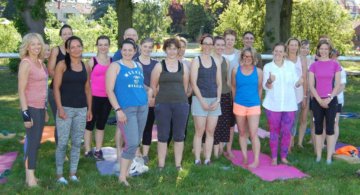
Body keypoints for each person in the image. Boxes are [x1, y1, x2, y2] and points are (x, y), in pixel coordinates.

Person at [106, 38, 151, 186]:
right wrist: (118, 110)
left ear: (134, 51)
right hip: (126, 109)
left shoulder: (138, 65)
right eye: (124, 50)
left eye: (130, 50)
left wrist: (148, 89)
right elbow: (109, 90)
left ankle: (126, 173)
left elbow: (138, 84)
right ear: (120, 50)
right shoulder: (115, 66)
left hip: (142, 107)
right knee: (131, 143)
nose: (126, 52)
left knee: (135, 141)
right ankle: (122, 177)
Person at [53, 36, 92, 184]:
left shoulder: (86, 66)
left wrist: (89, 109)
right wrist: (60, 108)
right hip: (65, 109)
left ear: (82, 47)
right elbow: (56, 88)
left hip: (81, 109)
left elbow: (88, 89)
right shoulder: (62, 65)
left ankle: (72, 173)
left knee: (76, 142)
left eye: (79, 46)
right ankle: (59, 174)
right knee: (63, 142)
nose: (76, 49)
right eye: (72, 47)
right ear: (68, 50)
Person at [151, 38, 189, 170]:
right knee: (163, 135)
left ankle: (178, 165)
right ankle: (161, 165)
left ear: (178, 49)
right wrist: (160, 99)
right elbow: (153, 85)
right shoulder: (159, 65)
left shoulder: (183, 66)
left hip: (181, 104)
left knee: (179, 135)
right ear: (165, 49)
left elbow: (185, 87)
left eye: (174, 48)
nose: (172, 51)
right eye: (169, 48)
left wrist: (178, 98)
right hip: (163, 104)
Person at [263, 43, 303, 165]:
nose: (278, 54)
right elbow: (266, 86)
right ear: (273, 52)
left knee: (287, 131)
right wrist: (270, 80)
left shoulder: (291, 66)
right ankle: (274, 157)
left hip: (289, 105)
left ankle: (284, 156)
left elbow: (295, 83)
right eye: (276, 51)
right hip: (273, 105)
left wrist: (299, 83)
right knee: (274, 131)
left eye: (281, 51)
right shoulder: (268, 67)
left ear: (285, 53)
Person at [18, 33, 48, 187]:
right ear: (27, 46)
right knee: (32, 143)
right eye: (32, 44)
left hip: (40, 107)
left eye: (38, 44)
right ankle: (30, 179)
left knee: (35, 143)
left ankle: (31, 176)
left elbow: (43, 88)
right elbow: (21, 90)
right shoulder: (26, 63)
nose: (36, 47)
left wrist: (46, 109)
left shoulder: (41, 63)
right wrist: (25, 114)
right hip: (30, 108)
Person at [191, 34, 222, 165]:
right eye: (206, 43)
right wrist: (202, 100)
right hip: (199, 100)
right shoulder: (196, 60)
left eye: (210, 44)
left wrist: (218, 99)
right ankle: (198, 158)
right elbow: (193, 83)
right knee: (199, 131)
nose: (208, 46)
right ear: (202, 45)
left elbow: (219, 83)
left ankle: (207, 158)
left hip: (214, 100)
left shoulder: (216, 61)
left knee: (210, 131)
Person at [309, 40, 341, 164]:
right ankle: (318, 155)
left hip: (331, 100)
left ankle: (328, 157)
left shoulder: (335, 65)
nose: (323, 51)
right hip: (317, 100)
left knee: (330, 128)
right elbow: (311, 85)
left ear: (329, 50)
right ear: (318, 50)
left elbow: (337, 84)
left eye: (326, 49)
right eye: (321, 49)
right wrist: (319, 100)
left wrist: (330, 98)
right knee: (318, 128)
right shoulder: (314, 65)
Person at [232, 47, 263, 168]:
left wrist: (257, 102)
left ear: (253, 58)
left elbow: (260, 88)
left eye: (249, 56)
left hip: (254, 105)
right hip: (239, 104)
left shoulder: (259, 72)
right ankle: (244, 156)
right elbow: (234, 86)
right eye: (245, 56)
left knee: (253, 133)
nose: (247, 58)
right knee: (242, 132)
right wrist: (235, 100)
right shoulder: (235, 70)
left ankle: (256, 160)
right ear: (242, 57)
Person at [84, 36, 113, 161]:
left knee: (101, 125)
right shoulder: (91, 62)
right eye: (100, 44)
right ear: (97, 46)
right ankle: (87, 150)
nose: (103, 47)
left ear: (109, 46)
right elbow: (85, 82)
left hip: (107, 98)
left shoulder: (113, 62)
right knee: (90, 124)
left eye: (105, 44)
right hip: (93, 97)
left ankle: (98, 150)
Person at [47, 24, 73, 144]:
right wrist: (63, 80)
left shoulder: (76, 49)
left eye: (69, 33)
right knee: (60, 120)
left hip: (71, 92)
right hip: (56, 91)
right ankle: (61, 149)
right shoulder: (56, 50)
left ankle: (70, 145)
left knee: (71, 120)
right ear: (61, 36)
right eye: (64, 34)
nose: (67, 35)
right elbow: (50, 70)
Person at [135, 38, 158, 164]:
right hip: (137, 99)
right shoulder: (133, 62)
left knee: (148, 126)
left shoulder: (156, 64)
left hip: (151, 100)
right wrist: (149, 89)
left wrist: (153, 94)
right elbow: (136, 81)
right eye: (145, 46)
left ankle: (145, 154)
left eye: (150, 47)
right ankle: (137, 152)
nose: (147, 49)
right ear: (140, 46)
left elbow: (159, 81)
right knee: (137, 127)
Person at [285, 37, 307, 152]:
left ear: (298, 47)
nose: (293, 47)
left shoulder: (301, 59)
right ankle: (286, 140)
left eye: (295, 45)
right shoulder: (283, 58)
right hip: (285, 94)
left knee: (294, 119)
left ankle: (289, 144)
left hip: (298, 94)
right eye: (291, 45)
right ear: (287, 46)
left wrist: (304, 96)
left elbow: (304, 78)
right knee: (285, 119)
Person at [212, 36, 232, 158]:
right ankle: (213, 150)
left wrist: (233, 94)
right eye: (218, 45)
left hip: (225, 95)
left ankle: (220, 148)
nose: (220, 47)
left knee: (223, 123)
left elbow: (227, 80)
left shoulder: (226, 61)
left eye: (222, 45)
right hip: (212, 95)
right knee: (213, 124)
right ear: (214, 46)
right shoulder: (208, 59)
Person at [222, 29, 239, 158]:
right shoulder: (217, 52)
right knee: (218, 119)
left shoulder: (239, 54)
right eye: (227, 39)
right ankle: (218, 144)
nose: (229, 42)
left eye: (232, 40)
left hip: (234, 91)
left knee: (231, 122)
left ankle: (229, 147)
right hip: (220, 91)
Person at [297, 40, 314, 147]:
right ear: (299, 48)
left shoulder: (311, 60)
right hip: (296, 92)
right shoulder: (295, 60)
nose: (305, 50)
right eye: (303, 47)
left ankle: (299, 142)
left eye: (307, 48)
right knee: (293, 118)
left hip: (307, 92)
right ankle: (289, 140)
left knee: (304, 118)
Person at [331, 49, 346, 153]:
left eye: (335, 57)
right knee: (325, 123)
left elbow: (342, 86)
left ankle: (332, 147)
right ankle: (325, 144)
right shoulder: (325, 67)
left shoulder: (341, 69)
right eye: (331, 56)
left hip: (337, 100)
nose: (333, 59)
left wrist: (331, 96)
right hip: (325, 100)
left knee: (335, 123)